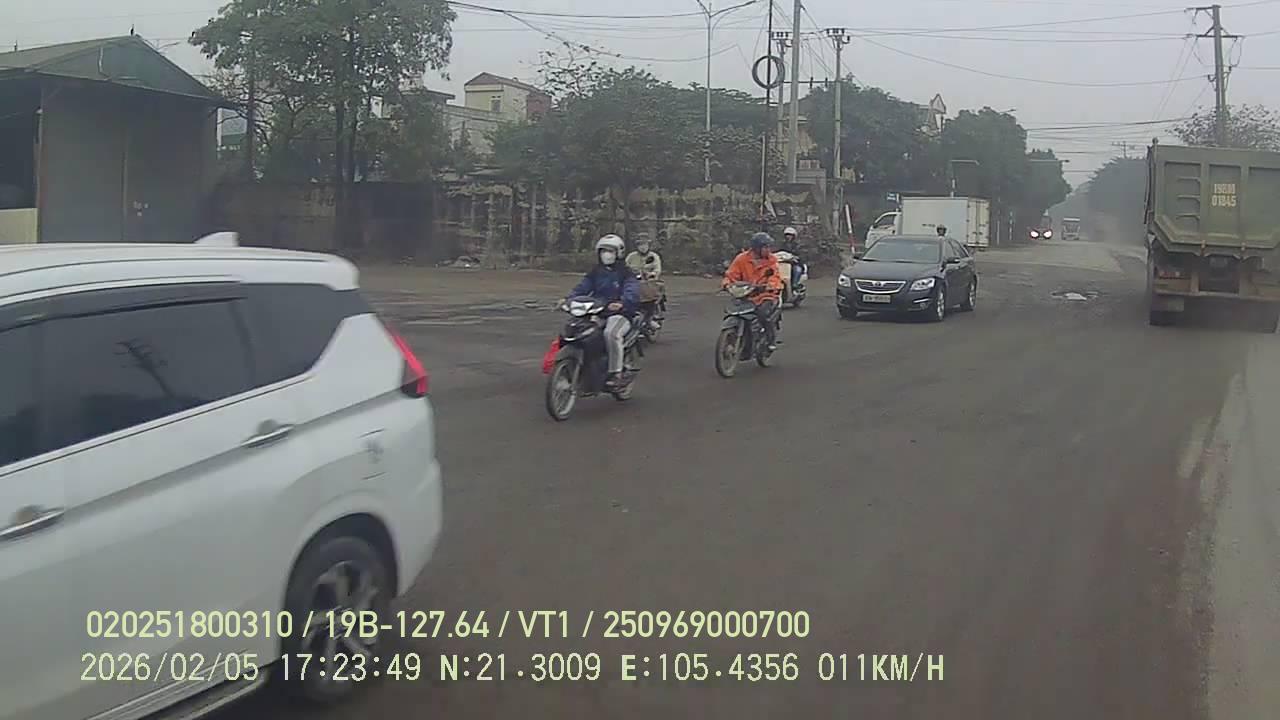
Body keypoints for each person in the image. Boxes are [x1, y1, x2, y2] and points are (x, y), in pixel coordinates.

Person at [568, 234, 640, 389]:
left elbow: (632, 291)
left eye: (610, 251)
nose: (606, 255)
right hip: (597, 311)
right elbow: (582, 287)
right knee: (579, 330)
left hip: (620, 314)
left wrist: (622, 302)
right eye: (603, 251)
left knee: (611, 334)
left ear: (619, 253)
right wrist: (568, 299)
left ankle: (616, 373)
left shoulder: (626, 273)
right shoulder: (595, 272)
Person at [722, 232, 784, 351]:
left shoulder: (771, 260)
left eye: (769, 247)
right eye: (766, 247)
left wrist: (770, 285)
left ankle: (770, 340)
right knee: (732, 311)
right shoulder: (741, 259)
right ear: (757, 248)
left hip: (766, 295)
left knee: (763, 314)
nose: (769, 250)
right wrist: (727, 284)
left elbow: (775, 276)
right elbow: (731, 275)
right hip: (746, 294)